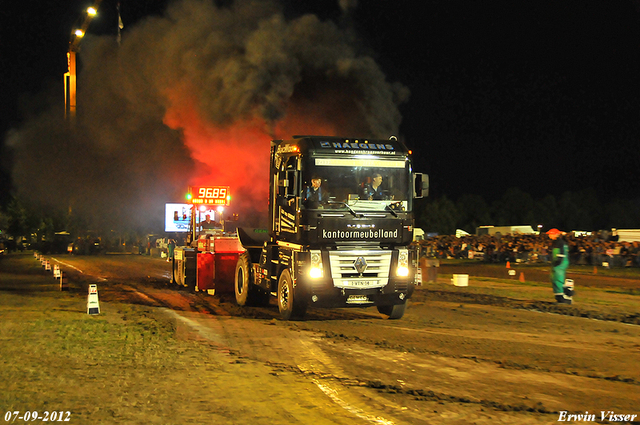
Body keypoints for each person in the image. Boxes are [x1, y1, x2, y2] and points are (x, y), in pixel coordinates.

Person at [547, 228, 571, 304]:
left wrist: (559, 261)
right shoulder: (557, 241)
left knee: (558, 279)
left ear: (556, 234)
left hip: (560, 263)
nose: (549, 235)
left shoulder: (559, 242)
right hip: (558, 262)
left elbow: (561, 252)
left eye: (551, 234)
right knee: (555, 278)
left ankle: (562, 296)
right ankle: (564, 293)